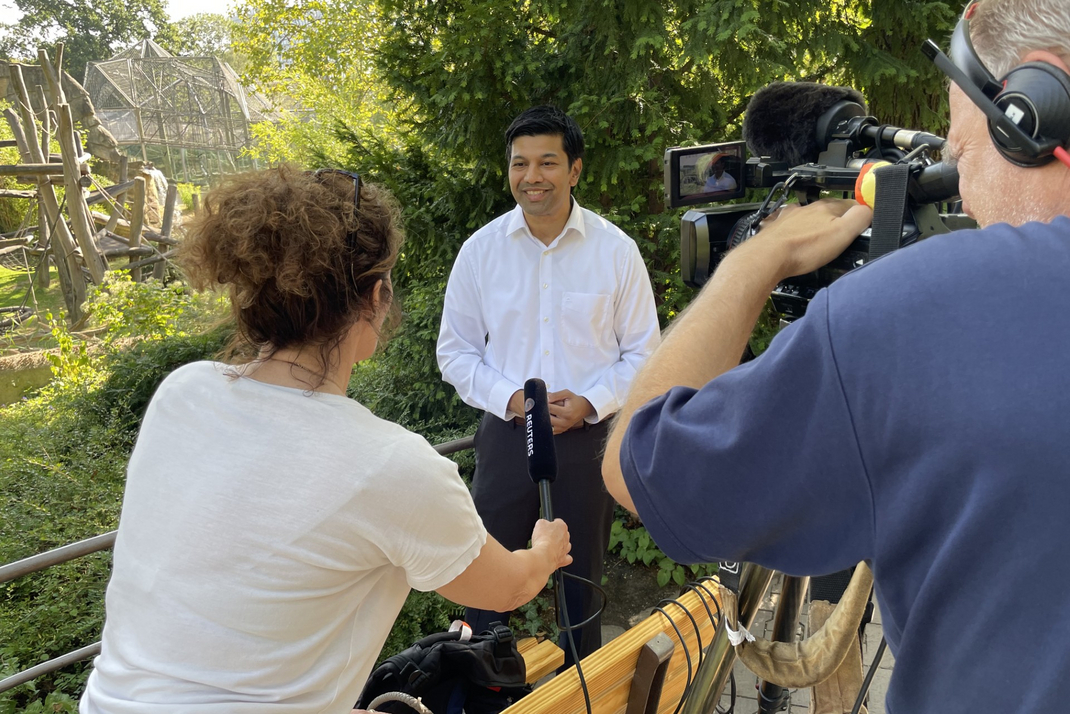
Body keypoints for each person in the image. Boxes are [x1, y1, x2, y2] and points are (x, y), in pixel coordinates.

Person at [602, 0, 1070, 712]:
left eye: (960, 140)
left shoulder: (910, 318)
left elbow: (638, 468)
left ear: (1034, 113)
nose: (954, 171)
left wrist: (758, 259)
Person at [79, 165, 572, 714]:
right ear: (376, 297)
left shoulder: (182, 392)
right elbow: (504, 590)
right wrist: (545, 551)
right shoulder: (393, 465)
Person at [437, 106, 661, 662]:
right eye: (520, 164)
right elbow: (456, 353)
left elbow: (645, 353)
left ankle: (583, 689)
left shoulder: (615, 251)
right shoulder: (480, 252)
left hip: (589, 443)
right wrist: (511, 399)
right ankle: (485, 684)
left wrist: (591, 402)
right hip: (508, 438)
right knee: (485, 581)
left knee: (581, 586)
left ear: (575, 170)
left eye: (547, 162)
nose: (531, 176)